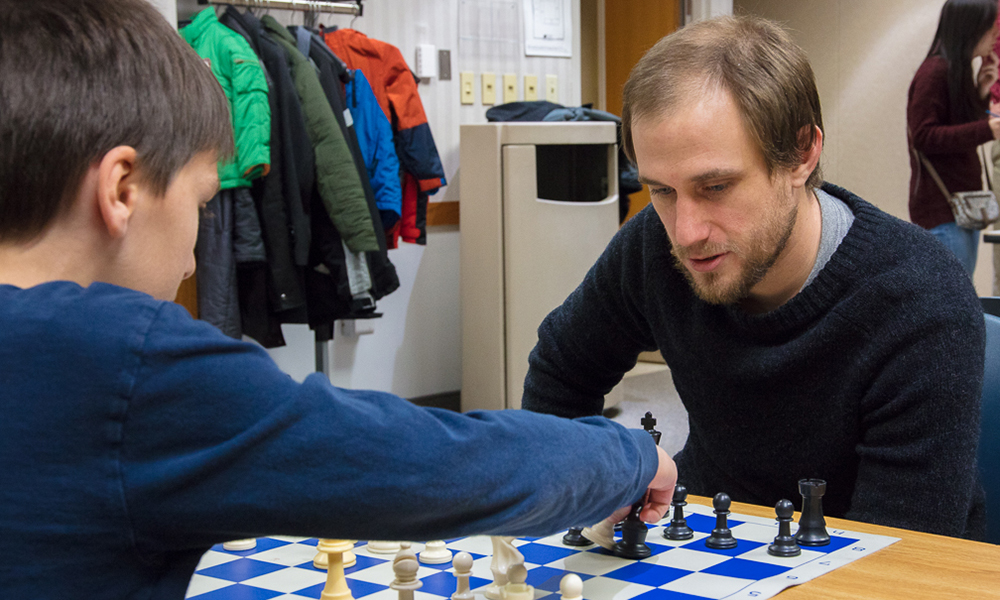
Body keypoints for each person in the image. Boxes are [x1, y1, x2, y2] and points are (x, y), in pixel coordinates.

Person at [0, 1, 677, 597]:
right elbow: (431, 467)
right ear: (121, 190)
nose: (188, 261)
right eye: (205, 206)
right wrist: (630, 456)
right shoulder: (124, 367)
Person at [522, 15, 987, 541]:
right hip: (704, 538)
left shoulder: (920, 299)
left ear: (801, 155)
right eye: (661, 191)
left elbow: (901, 557)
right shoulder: (653, 243)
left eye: (716, 186)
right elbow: (562, 369)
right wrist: (586, 487)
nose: (686, 232)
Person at [908, 0, 1000, 275]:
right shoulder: (935, 72)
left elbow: (954, 127)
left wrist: (981, 91)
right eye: (990, 27)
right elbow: (923, 136)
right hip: (944, 210)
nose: (995, 34)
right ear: (972, 28)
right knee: (953, 305)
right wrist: (988, 129)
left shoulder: (951, 71)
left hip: (959, 209)